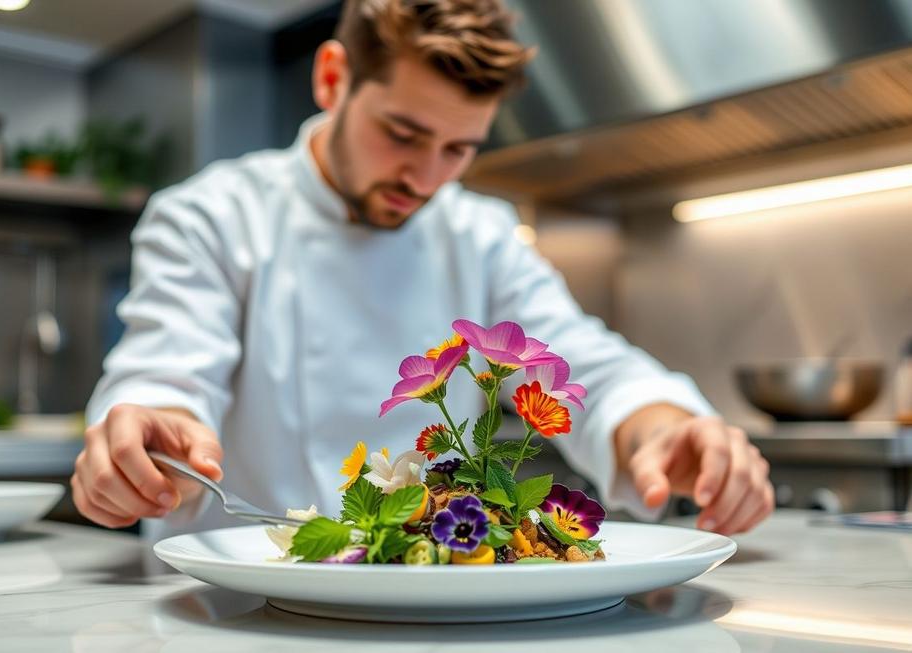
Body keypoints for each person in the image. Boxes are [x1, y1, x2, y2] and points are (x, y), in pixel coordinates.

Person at [74, 0, 774, 541]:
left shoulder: (480, 235)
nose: (427, 176)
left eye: (458, 149)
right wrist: (154, 451)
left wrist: (666, 431)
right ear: (331, 78)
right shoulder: (210, 215)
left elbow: (581, 361)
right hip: (235, 611)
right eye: (402, 134)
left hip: (430, 602)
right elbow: (168, 377)